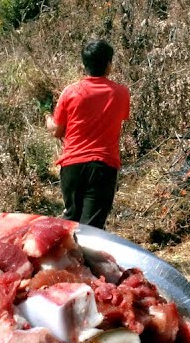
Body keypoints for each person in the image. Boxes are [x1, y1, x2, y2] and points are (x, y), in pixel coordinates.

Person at [46, 39, 131, 229]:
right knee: (92, 229)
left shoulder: (70, 91)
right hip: (103, 166)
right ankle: (84, 259)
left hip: (72, 167)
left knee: (70, 225)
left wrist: (47, 119)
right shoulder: (121, 93)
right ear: (109, 64)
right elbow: (119, 117)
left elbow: (57, 130)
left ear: (84, 65)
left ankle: (66, 258)